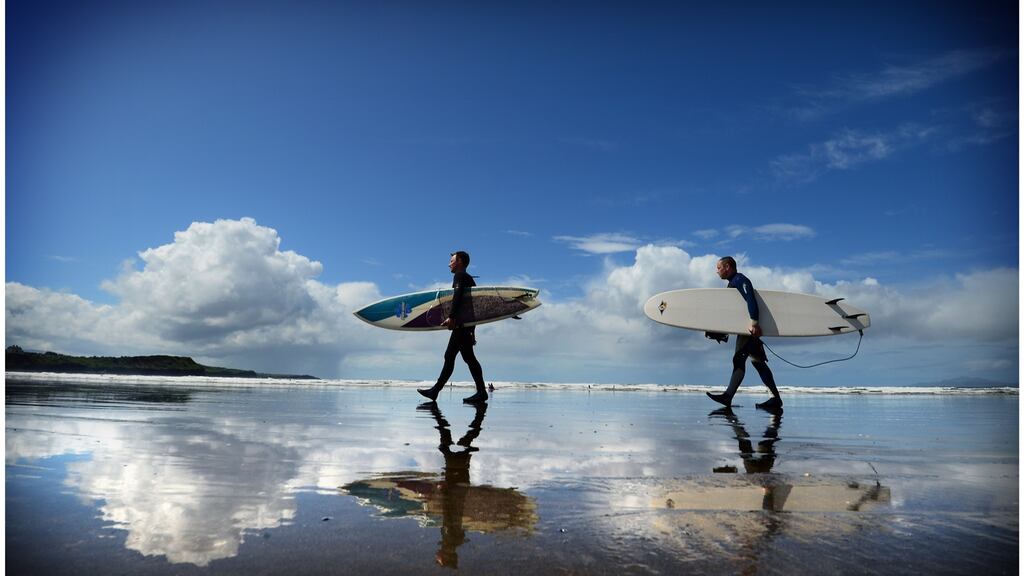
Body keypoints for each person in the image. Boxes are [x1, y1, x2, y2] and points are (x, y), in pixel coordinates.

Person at [705, 256, 783, 410]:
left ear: (727, 266)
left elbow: (751, 299)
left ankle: (728, 396)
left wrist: (754, 322)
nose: (717, 271)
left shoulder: (740, 280)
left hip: (749, 330)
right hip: (746, 330)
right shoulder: (732, 284)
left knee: (739, 359)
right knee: (758, 363)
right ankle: (775, 399)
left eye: (719, 267)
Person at [418, 251, 489, 404]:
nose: (449, 264)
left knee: (452, 356)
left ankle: (436, 390)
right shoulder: (467, 279)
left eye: (452, 260)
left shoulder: (460, 276)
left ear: (460, 262)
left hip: (461, 325)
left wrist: (452, 317)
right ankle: (480, 391)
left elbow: (457, 297)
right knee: (467, 358)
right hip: (465, 326)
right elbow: (471, 307)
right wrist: (472, 330)